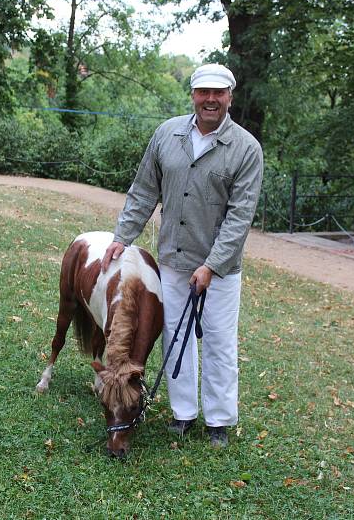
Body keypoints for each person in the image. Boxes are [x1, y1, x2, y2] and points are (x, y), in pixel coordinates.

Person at [101, 63, 264, 448]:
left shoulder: (246, 149)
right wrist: (122, 236)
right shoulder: (166, 135)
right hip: (173, 261)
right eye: (203, 92)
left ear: (229, 97)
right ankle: (183, 414)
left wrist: (211, 266)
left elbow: (240, 218)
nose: (210, 99)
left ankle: (219, 421)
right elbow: (143, 191)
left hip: (219, 270)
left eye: (218, 93)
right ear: (192, 95)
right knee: (176, 338)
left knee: (220, 342)